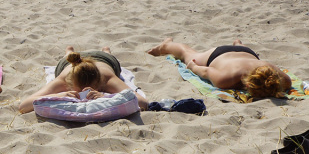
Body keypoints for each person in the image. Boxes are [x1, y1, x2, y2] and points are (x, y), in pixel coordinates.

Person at [147, 37, 291, 99]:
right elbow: (206, 71)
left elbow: (208, 71)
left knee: (241, 48)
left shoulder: (282, 78)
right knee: (187, 54)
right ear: (247, 86)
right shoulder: (226, 79)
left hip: (247, 53)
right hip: (219, 55)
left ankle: (238, 44)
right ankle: (165, 46)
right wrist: (193, 66)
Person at [19, 46, 149, 114]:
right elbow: (24, 106)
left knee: (109, 56)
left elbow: (143, 102)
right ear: (69, 84)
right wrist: (59, 95)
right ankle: (69, 51)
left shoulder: (107, 78)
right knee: (69, 57)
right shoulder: (63, 80)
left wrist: (104, 96)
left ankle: (106, 51)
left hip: (103, 59)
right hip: (70, 62)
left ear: (99, 83)